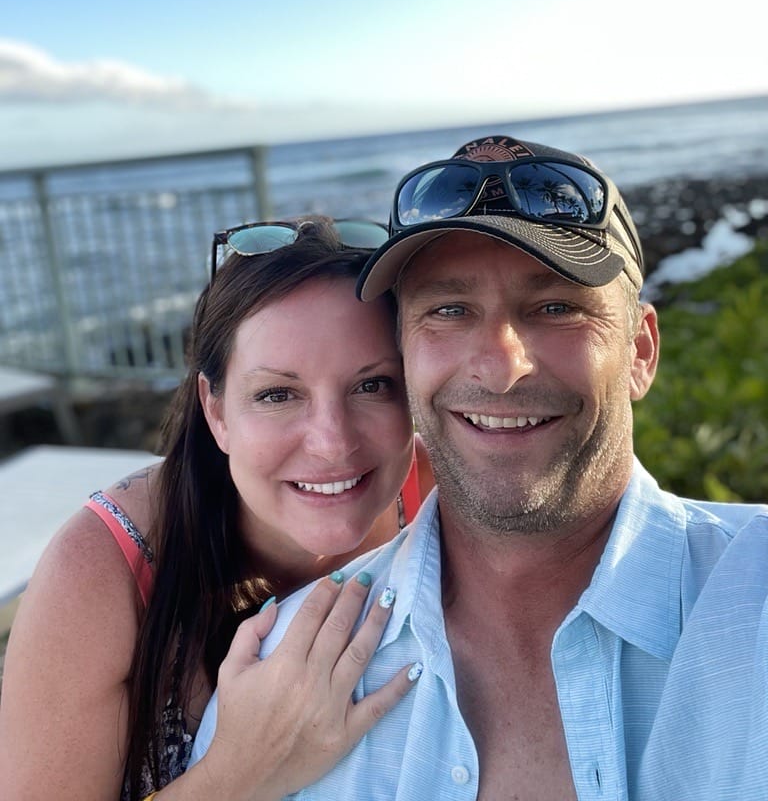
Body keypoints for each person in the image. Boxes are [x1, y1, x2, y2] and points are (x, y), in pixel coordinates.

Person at [190, 134, 768, 800]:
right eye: (449, 310)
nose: (501, 368)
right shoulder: (277, 686)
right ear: (404, 354)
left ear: (640, 350)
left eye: (555, 307)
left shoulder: (749, 601)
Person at [0, 216, 433, 801]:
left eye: (373, 385)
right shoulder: (106, 567)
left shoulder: (438, 494)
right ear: (216, 410)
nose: (333, 442)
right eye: (278, 394)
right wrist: (240, 772)